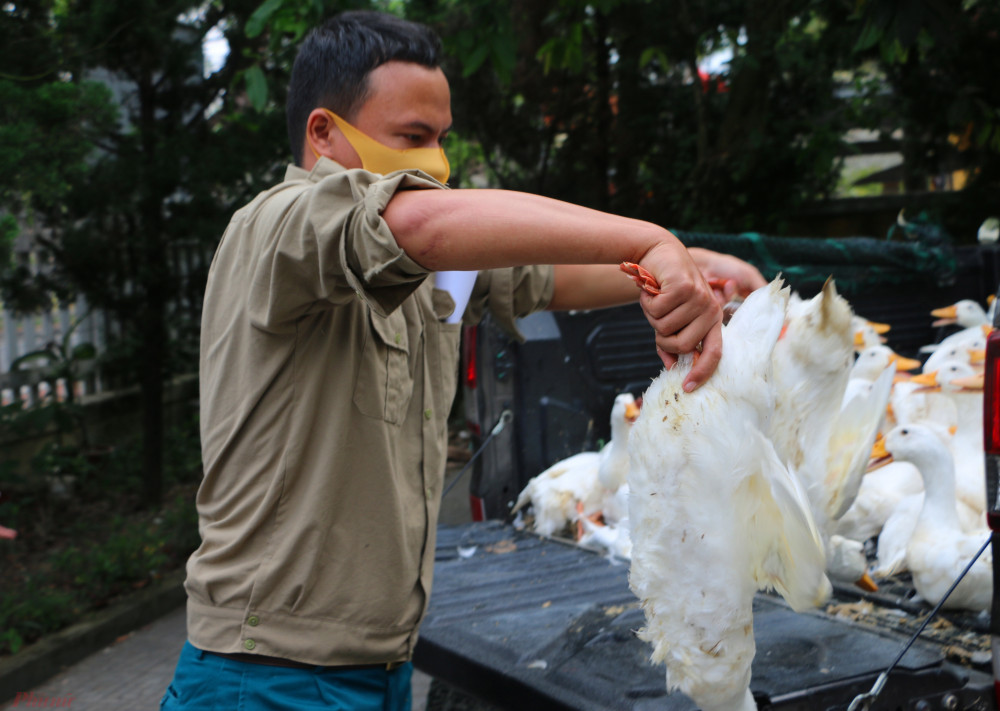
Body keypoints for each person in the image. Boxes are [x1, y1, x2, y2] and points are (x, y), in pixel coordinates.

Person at [161, 9, 766, 711]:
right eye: (413, 137)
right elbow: (429, 225)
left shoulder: (413, 267)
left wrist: (701, 266)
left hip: (377, 665)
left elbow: (548, 274)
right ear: (322, 134)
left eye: (442, 139)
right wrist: (654, 238)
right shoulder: (277, 225)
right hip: (265, 675)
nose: (437, 163)